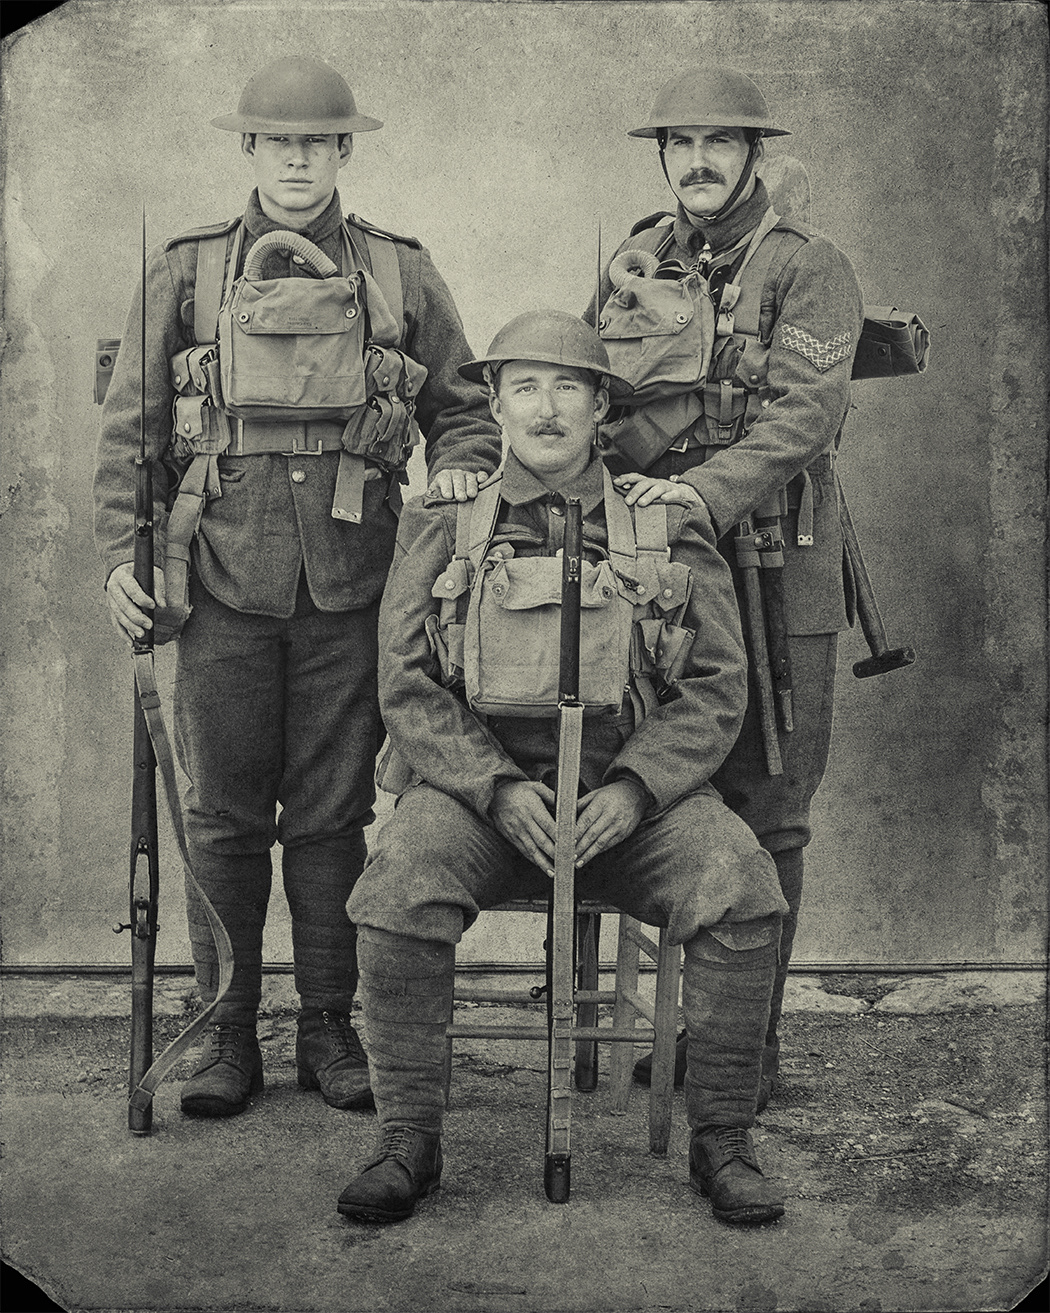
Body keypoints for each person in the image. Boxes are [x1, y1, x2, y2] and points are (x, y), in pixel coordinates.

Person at [93, 57, 500, 1119]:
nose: (297, 161)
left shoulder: (399, 270)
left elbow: (466, 410)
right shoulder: (188, 270)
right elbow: (133, 432)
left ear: (343, 150)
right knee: (222, 814)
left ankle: (327, 1023)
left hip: (355, 581)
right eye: (279, 142)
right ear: (250, 148)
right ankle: (226, 1028)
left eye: (316, 143)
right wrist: (121, 562)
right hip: (217, 576)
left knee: (331, 815)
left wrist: (461, 471)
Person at [336, 309, 789, 1227]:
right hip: (480, 802)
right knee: (397, 885)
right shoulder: (442, 519)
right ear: (496, 405)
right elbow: (406, 683)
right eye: (526, 388)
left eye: (569, 387)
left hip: (629, 806)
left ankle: (724, 1138)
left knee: (743, 885)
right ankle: (406, 1137)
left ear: (601, 408)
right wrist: (496, 789)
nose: (546, 408)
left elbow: (717, 686)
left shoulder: (666, 523)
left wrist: (636, 789)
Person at [586, 68, 864, 1104]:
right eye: (681, 143)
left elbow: (805, 418)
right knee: (673, 790)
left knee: (770, 809)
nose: (697, 161)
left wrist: (696, 494)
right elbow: (590, 389)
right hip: (657, 578)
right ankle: (694, 1029)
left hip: (777, 566)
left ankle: (746, 1051)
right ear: (663, 155)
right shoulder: (638, 257)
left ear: (753, 153)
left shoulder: (806, 265)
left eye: (719, 142)